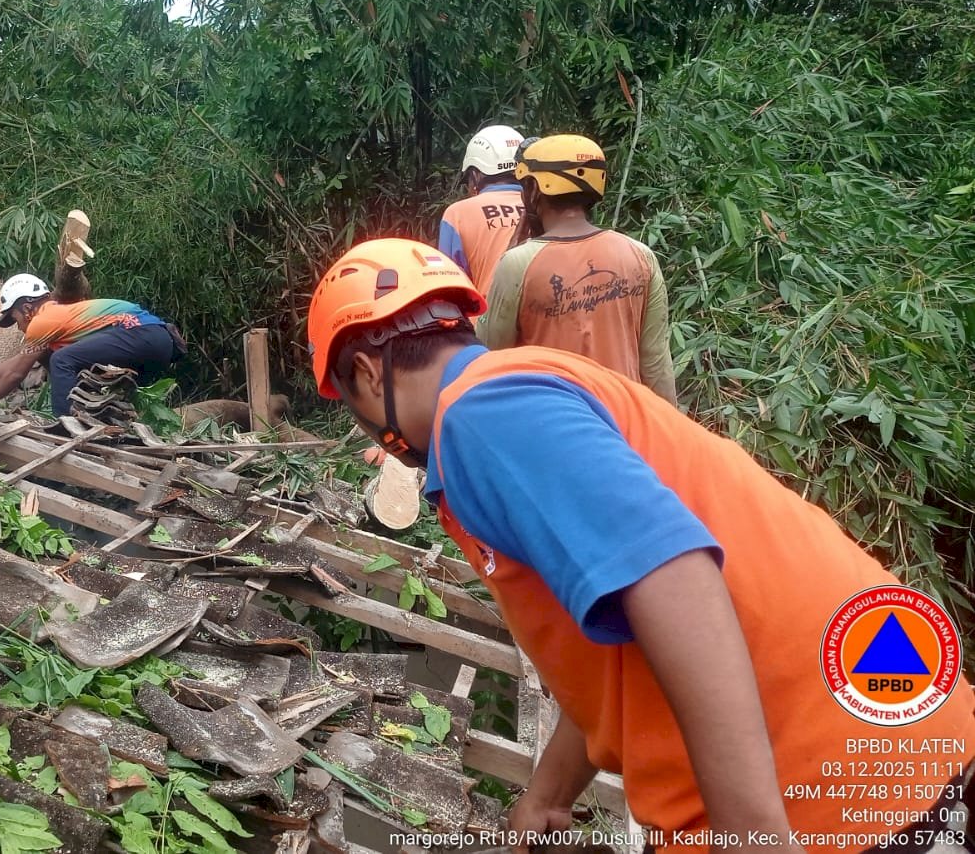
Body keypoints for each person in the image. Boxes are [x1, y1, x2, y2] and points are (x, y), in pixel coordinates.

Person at [307, 237, 974, 854]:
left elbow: (672, 577)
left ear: (366, 373)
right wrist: (548, 794)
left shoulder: (483, 418)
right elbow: (619, 644)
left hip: (826, 796)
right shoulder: (535, 384)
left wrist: (753, 837)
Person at [480, 134, 678, 404]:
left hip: (551, 425)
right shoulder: (640, 255)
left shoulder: (518, 263)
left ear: (535, 190)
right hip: (623, 424)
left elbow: (490, 354)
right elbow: (656, 364)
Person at [0, 274, 179, 416]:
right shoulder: (56, 318)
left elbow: (16, 374)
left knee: (62, 359)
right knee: (58, 358)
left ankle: (64, 423)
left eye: (15, 318)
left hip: (143, 334)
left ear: (27, 308)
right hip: (157, 343)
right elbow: (15, 362)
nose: (18, 327)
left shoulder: (43, 320)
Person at [437, 124, 527, 294]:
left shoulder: (457, 214)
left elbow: (450, 286)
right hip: (542, 318)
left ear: (475, 175)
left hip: (485, 318)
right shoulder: (543, 208)